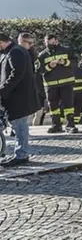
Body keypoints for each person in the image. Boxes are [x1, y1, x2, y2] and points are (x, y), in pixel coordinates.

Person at [0, 33, 39, 166]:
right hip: (16, 96)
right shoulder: (12, 51)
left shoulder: (15, 52)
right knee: (18, 126)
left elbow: (16, 74)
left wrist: (2, 90)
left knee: (20, 126)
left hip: (19, 97)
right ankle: (21, 153)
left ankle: (21, 155)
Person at [38, 34, 78, 133]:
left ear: (56, 40)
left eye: (51, 42)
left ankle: (70, 125)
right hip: (51, 85)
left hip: (66, 82)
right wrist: (50, 66)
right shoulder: (42, 55)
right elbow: (39, 70)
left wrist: (65, 62)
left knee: (68, 106)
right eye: (47, 43)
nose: (49, 44)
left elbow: (75, 63)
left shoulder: (67, 50)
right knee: (53, 107)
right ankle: (56, 125)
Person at [19, 33, 47, 126]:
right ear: (21, 41)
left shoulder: (33, 54)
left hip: (36, 86)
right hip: (24, 87)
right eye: (29, 43)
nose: (32, 45)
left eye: (32, 43)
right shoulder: (17, 53)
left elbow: (38, 70)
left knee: (39, 112)